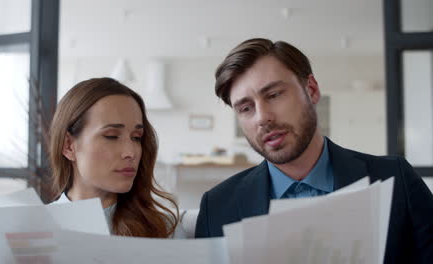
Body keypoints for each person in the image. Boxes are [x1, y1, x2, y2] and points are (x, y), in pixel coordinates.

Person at [195, 38, 433, 262]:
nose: (262, 117)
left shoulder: (395, 179)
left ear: (311, 90)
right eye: (246, 108)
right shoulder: (216, 208)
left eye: (274, 94)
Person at [49, 77, 185, 238]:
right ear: (68, 145)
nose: (131, 152)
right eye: (111, 136)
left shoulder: (165, 229)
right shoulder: (33, 229)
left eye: (136, 137)